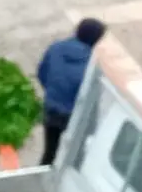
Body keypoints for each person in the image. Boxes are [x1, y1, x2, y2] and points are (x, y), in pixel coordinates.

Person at [35, 17, 106, 166]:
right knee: (76, 154)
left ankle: (42, 178)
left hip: (52, 108)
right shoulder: (92, 64)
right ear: (95, 39)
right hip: (74, 115)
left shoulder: (56, 48)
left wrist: (53, 92)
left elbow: (41, 73)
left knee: (49, 152)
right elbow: (91, 98)